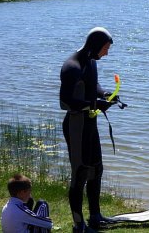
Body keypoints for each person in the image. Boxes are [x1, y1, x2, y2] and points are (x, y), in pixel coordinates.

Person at [59, 27, 117, 232]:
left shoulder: (91, 61)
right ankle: (78, 224)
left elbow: (94, 85)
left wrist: (107, 94)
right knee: (80, 174)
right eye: (105, 48)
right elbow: (65, 102)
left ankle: (95, 216)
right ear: (95, 45)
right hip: (76, 126)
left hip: (90, 125)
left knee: (96, 170)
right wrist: (94, 105)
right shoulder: (71, 66)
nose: (106, 53)